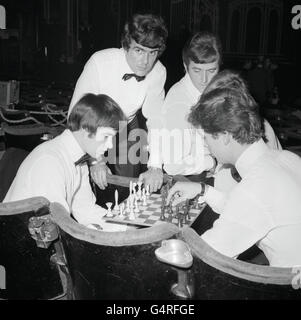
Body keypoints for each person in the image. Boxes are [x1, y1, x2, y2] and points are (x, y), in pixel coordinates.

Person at [167, 83, 301, 267]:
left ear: (225, 136)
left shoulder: (255, 188)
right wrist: (203, 190)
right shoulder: (286, 158)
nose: (206, 145)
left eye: (205, 138)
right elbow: (250, 211)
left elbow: (205, 253)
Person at [68, 13, 168, 194]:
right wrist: (94, 161)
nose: (145, 62)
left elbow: (157, 120)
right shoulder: (100, 62)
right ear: (126, 45)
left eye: (152, 53)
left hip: (126, 125)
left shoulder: (158, 71)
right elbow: (76, 115)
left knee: (126, 188)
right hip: (91, 126)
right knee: (84, 183)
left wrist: (155, 166)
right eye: (139, 50)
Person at [4, 93, 127, 231]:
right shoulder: (50, 161)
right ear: (85, 129)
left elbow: (85, 209)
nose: (110, 146)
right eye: (106, 136)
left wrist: (124, 226)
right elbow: (54, 226)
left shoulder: (78, 158)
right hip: (19, 244)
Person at [157, 31, 221, 177]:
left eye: (212, 70)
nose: (204, 79)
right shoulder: (179, 103)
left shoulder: (216, 89)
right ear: (185, 67)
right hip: (192, 180)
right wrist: (212, 162)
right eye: (197, 70)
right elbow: (173, 166)